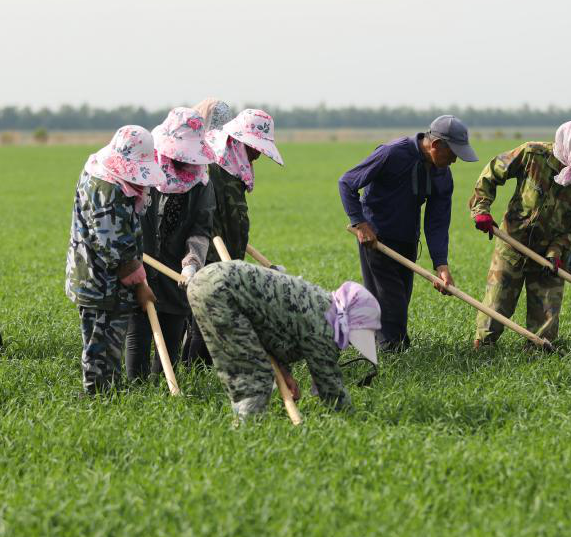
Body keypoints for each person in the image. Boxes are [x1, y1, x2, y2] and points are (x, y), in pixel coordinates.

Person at [338, 115, 478, 352]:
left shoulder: (442, 173)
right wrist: (361, 224)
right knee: (393, 307)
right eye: (452, 154)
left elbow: (437, 220)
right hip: (377, 240)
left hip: (407, 242)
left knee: (395, 302)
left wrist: (441, 264)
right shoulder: (392, 153)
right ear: (435, 145)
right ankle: (394, 352)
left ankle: (365, 339)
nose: (454, 161)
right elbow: (347, 183)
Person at [469, 120, 571, 347]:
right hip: (512, 245)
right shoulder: (532, 155)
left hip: (550, 257)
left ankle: (539, 357)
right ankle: (483, 350)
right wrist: (481, 209)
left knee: (546, 320)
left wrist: (558, 249)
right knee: (495, 309)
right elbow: (491, 174)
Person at [186, 261, 380, 419]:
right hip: (222, 291)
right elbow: (330, 387)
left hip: (205, 282)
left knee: (244, 365)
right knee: (253, 378)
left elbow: (270, 331)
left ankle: (245, 424)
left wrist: (284, 373)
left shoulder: (320, 302)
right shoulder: (324, 324)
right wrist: (356, 420)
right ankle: (248, 436)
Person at [182, 100, 285, 364]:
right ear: (240, 141)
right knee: (206, 318)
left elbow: (233, 219)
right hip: (211, 259)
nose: (259, 155)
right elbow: (207, 219)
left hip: (227, 257)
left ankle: (198, 370)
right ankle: (193, 371)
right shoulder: (215, 167)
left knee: (209, 322)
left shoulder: (234, 165)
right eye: (255, 147)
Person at [66, 125, 162, 394]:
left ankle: (110, 396)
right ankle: (99, 402)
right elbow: (114, 246)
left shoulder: (99, 173)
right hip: (101, 285)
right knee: (101, 350)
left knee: (107, 349)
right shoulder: (107, 189)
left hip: (98, 280)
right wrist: (140, 285)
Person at [124, 107, 216, 379]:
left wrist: (191, 264)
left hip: (177, 274)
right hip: (141, 269)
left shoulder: (201, 183)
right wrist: (133, 265)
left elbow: (201, 229)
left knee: (170, 345)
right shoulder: (144, 173)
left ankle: (162, 389)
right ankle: (136, 395)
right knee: (137, 336)